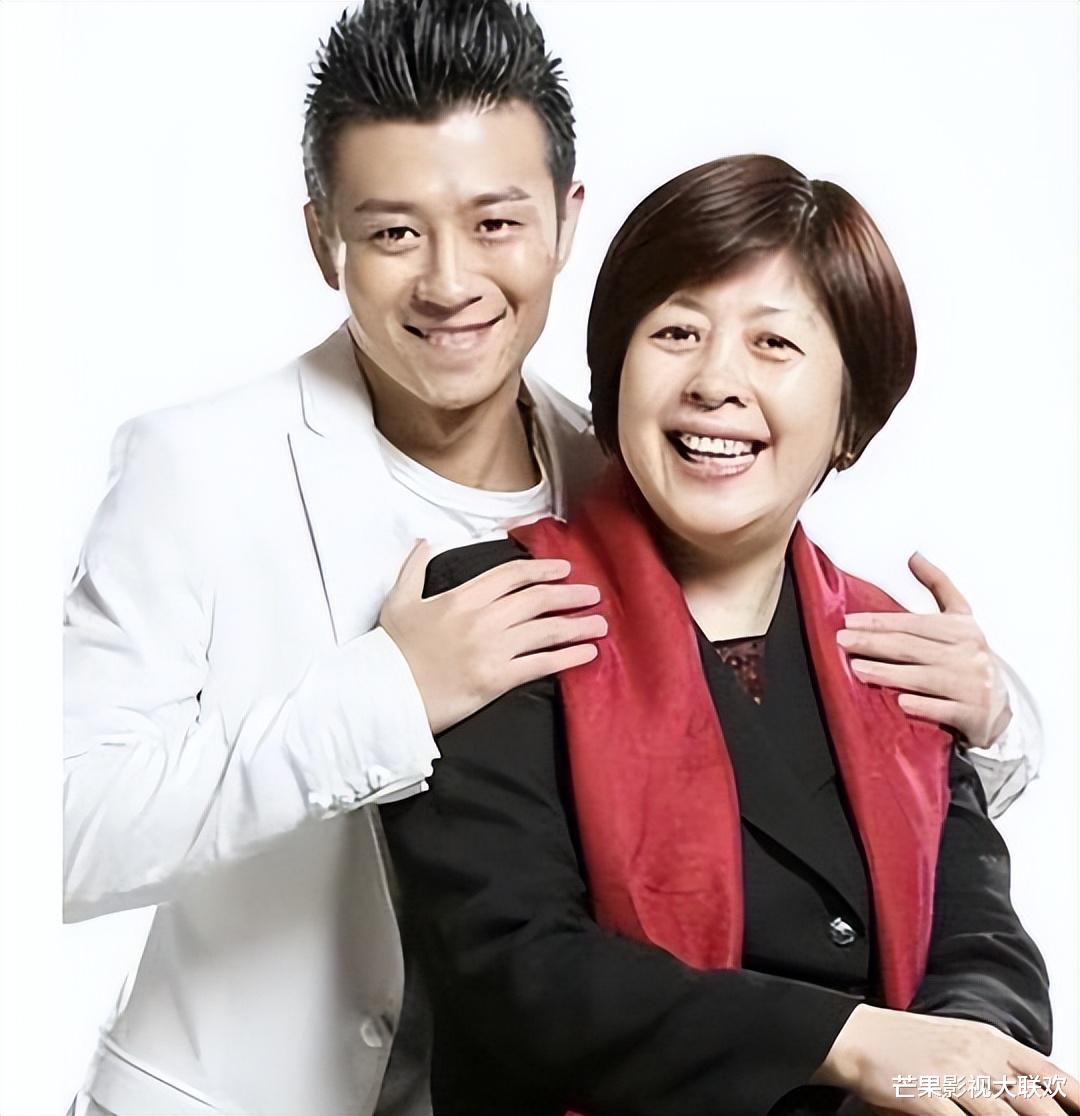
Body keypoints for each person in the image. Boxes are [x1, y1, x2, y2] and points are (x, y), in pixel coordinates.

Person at [62, 2, 1040, 1114]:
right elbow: (60, 828)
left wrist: (997, 712)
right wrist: (387, 696)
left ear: (566, 222)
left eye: (495, 223)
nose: (449, 281)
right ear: (321, 235)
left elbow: (848, 759)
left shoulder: (625, 471)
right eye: (393, 233)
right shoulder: (196, 469)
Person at [380, 155, 1075, 1116]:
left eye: (773, 344)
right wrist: (848, 1043)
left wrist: (929, 1082)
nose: (715, 381)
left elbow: (986, 952)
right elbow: (516, 973)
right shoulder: (498, 605)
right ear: (615, 376)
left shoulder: (893, 643)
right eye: (676, 332)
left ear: (850, 415)